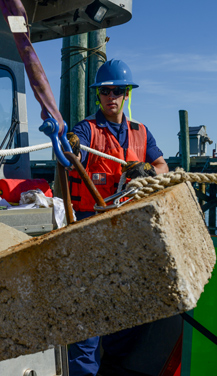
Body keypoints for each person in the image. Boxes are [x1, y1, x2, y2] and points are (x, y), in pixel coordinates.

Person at [67, 59, 169, 376]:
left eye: (118, 91)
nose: (111, 97)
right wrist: (67, 145)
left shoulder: (141, 132)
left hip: (129, 231)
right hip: (91, 228)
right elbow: (72, 155)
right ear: (98, 95)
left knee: (127, 302)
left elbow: (163, 167)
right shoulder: (86, 130)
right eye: (105, 91)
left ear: (127, 95)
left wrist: (146, 172)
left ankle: (115, 363)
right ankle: (84, 372)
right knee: (90, 305)